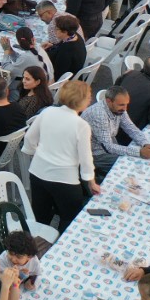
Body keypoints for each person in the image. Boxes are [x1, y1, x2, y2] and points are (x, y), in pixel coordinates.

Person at [24, 80, 100, 230]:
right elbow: (86, 158)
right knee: (69, 220)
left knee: (40, 218)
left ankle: (39, 247)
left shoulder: (48, 112)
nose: (90, 100)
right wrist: (91, 182)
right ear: (81, 100)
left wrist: (37, 154)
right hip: (65, 180)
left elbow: (29, 139)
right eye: (89, 97)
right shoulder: (81, 125)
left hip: (38, 173)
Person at [45, 14, 87, 79]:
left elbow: (58, 72)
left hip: (66, 80)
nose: (54, 31)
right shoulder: (75, 36)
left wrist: (41, 53)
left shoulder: (67, 50)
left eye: (56, 29)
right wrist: (52, 46)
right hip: (73, 72)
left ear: (65, 32)